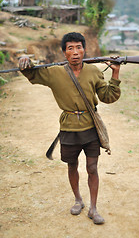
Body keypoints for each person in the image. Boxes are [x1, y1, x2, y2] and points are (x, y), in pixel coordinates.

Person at [19, 32, 121, 225]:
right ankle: (78, 200)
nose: (75, 52)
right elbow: (31, 72)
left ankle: (93, 207)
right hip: (68, 129)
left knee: (92, 168)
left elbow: (108, 97)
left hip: (91, 128)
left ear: (84, 50)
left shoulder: (94, 72)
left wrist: (115, 72)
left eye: (79, 47)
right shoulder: (54, 72)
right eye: (70, 48)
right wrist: (24, 60)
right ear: (64, 53)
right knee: (72, 165)